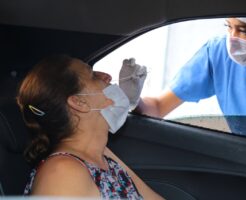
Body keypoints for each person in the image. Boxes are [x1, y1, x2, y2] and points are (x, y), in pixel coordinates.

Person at [120, 17, 246, 139]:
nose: (232, 40)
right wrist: (131, 101)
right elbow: (159, 107)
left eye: (244, 31)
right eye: (228, 27)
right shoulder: (218, 55)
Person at [17, 55, 163, 199]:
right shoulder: (62, 173)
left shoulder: (100, 157)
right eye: (93, 75)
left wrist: (127, 102)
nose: (108, 76)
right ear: (79, 103)